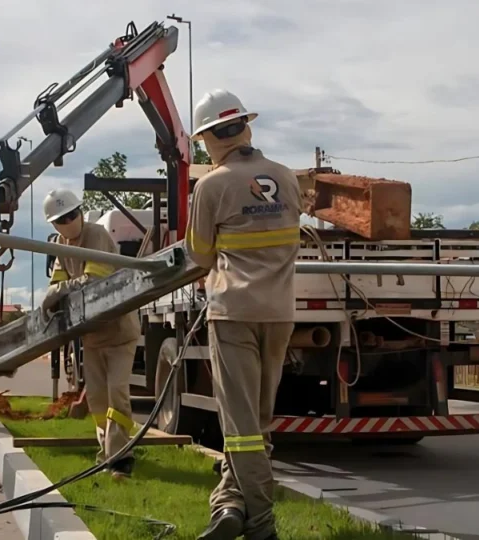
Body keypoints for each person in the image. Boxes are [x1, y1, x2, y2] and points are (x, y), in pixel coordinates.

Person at [184, 89, 301, 540]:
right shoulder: (286, 177)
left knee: (240, 428)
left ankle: (261, 524)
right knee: (257, 421)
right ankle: (229, 503)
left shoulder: (211, 185)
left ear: (209, 139)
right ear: (246, 128)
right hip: (280, 311)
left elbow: (198, 254)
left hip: (232, 312)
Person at [40, 188, 141, 479]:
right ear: (54, 225)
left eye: (73, 214)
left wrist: (57, 292)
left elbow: (95, 279)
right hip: (93, 336)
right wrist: (53, 294)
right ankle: (106, 454)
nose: (70, 221)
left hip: (119, 331)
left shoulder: (96, 235)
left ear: (81, 212)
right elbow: (56, 282)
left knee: (117, 393)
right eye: (62, 218)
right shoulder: (61, 244)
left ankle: (122, 460)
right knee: (97, 400)